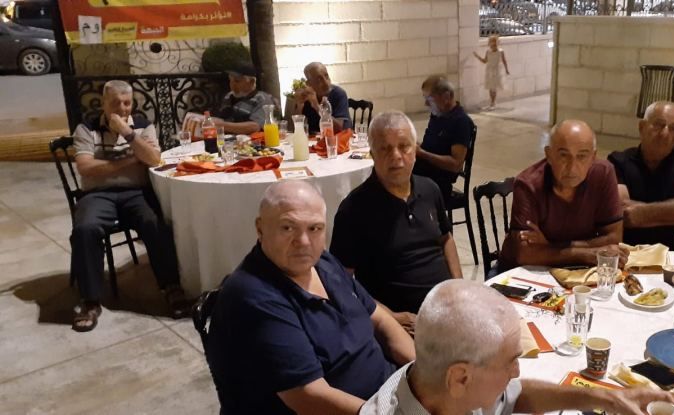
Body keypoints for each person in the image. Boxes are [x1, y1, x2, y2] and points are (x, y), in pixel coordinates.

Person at [206, 180, 415, 415]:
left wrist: (420, 371)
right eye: (288, 228)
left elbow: (381, 320)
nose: (303, 242)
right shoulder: (253, 297)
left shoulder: (323, 262)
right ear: (260, 228)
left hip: (388, 395)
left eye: (315, 228)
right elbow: (309, 397)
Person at [361, 279, 674, 415]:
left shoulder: (444, 385)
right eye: (510, 361)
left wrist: (607, 398)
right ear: (460, 378)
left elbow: (515, 395)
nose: (517, 371)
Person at [70, 80, 188, 332]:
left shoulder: (143, 125)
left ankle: (171, 287)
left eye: (127, 103)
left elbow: (153, 159)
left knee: (155, 222)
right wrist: (130, 160)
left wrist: (128, 133)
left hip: (136, 192)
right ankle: (90, 301)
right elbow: (85, 167)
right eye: (116, 103)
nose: (123, 109)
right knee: (85, 229)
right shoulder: (86, 128)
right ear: (103, 103)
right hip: (97, 194)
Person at [330, 111, 463, 335]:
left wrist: (459, 287)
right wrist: (392, 318)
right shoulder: (354, 209)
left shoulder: (430, 189)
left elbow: (446, 239)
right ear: (372, 154)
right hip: (400, 323)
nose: (396, 156)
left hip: (448, 309)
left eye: (404, 147)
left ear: (415, 151)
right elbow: (341, 282)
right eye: (385, 148)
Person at [499, 120, 626, 271]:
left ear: (593, 157)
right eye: (564, 155)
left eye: (582, 156)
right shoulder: (528, 184)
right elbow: (525, 254)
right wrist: (587, 253)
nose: (572, 168)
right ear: (549, 155)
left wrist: (550, 246)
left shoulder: (603, 174)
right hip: (523, 272)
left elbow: (614, 239)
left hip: (577, 271)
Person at [608, 101, 674, 250]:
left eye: (673, 128)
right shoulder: (618, 161)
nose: (665, 133)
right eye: (659, 125)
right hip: (631, 253)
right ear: (642, 127)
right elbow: (621, 210)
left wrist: (640, 213)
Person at [413, 78, 475, 202]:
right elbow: (430, 147)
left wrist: (421, 153)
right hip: (425, 173)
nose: (426, 104)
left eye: (429, 99)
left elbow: (456, 165)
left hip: (439, 182)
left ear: (446, 97)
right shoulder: (438, 115)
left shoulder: (461, 121)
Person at [208, 61, 278, 135]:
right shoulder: (229, 96)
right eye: (230, 80)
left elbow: (255, 127)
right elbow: (222, 118)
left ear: (251, 82)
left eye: (237, 81)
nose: (232, 85)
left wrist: (221, 125)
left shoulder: (262, 98)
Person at [293, 61, 352, 134]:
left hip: (341, 138)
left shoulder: (338, 94)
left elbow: (339, 128)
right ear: (309, 83)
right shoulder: (307, 96)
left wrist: (317, 107)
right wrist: (299, 105)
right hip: (314, 139)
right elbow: (293, 129)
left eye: (326, 76)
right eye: (319, 79)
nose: (326, 83)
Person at [472, 35, 509, 110]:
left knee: (494, 87)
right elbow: (485, 61)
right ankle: (492, 103)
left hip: (496, 70)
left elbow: (504, 61)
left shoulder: (500, 51)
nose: (492, 43)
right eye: (491, 41)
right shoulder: (488, 51)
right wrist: (477, 56)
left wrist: (506, 70)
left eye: (494, 41)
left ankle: (493, 103)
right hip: (489, 71)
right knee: (490, 87)